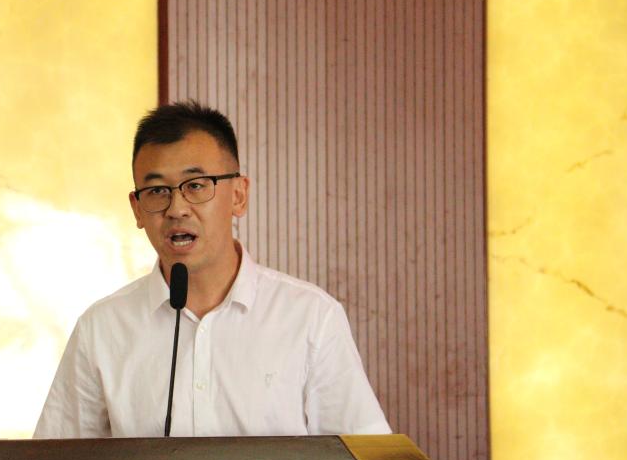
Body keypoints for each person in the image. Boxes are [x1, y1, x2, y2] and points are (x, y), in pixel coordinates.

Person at [34, 101, 390, 438]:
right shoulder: (101, 329)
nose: (176, 209)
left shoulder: (310, 318)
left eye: (195, 186)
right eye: (156, 191)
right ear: (137, 209)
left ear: (238, 195)